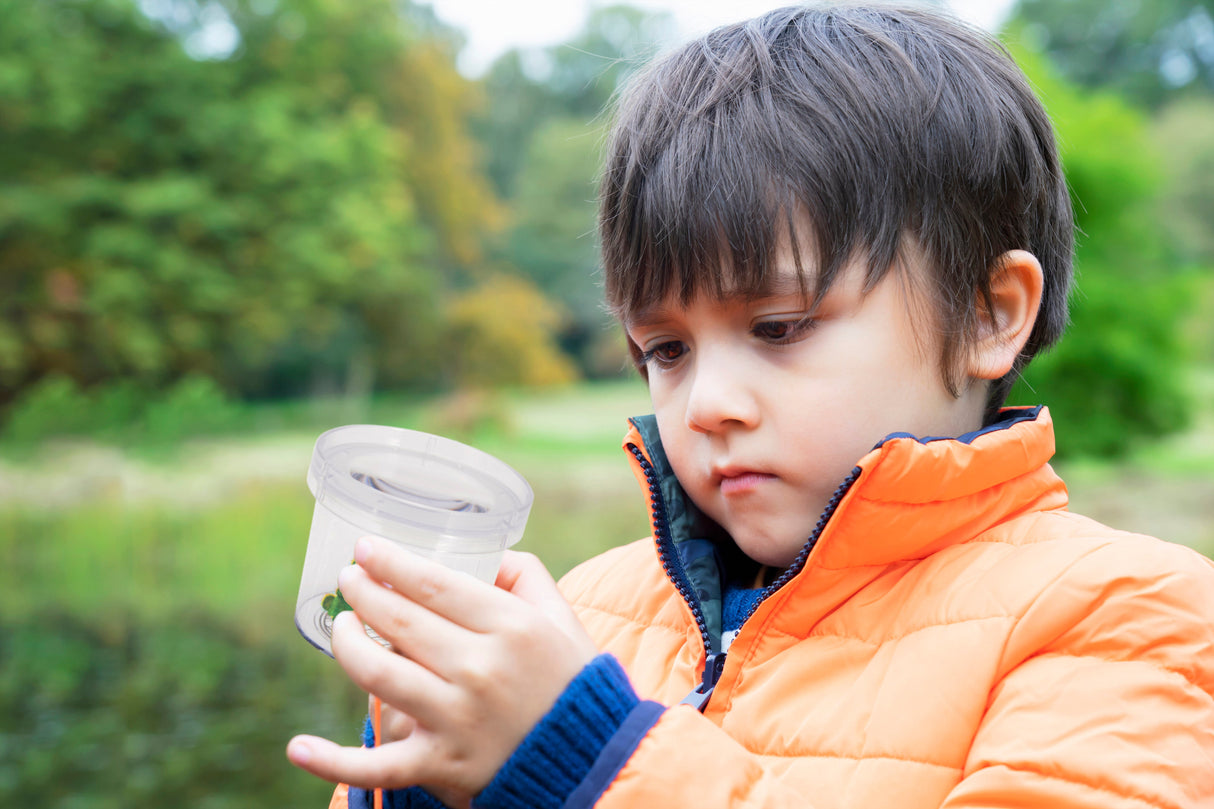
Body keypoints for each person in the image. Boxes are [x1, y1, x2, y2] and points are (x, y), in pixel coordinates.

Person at [287, 5, 1214, 807]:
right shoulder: (586, 612)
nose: (709, 404)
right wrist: (436, 776)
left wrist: (582, 760)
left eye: (777, 326)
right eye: (666, 350)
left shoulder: (1127, 618)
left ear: (986, 314)